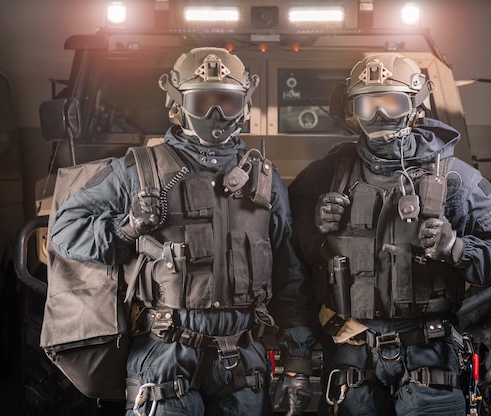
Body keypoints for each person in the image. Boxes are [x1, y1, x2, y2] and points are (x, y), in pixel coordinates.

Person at [50, 47, 316, 416]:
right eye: (203, 100)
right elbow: (65, 230)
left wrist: (297, 363)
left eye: (226, 100)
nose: (215, 113)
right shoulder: (138, 171)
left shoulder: (264, 181)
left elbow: (290, 278)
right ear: (177, 102)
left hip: (242, 360)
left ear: (244, 103)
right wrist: (125, 229)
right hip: (164, 355)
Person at [287, 53, 491, 416]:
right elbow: (280, 250)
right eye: (368, 104)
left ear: (415, 106)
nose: (379, 115)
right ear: (353, 110)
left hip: (429, 356)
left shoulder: (455, 179)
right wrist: (314, 225)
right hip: (352, 356)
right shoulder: (325, 175)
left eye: (391, 102)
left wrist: (457, 248)